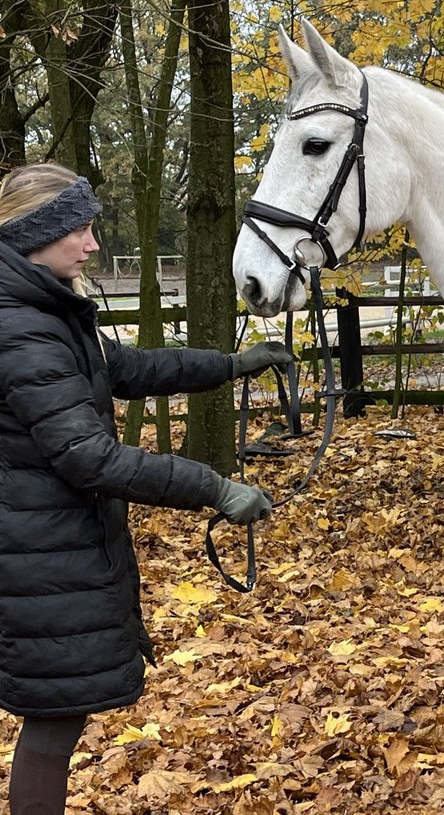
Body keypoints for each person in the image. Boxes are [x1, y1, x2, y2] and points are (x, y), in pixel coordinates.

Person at [0, 163, 290, 813]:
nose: (94, 243)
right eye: (80, 229)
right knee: (51, 726)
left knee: (55, 723)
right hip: (40, 557)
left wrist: (230, 365)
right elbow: (89, 457)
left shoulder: (45, 309)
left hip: (51, 550)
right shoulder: (22, 329)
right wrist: (213, 487)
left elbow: (126, 367)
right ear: (36, 234)